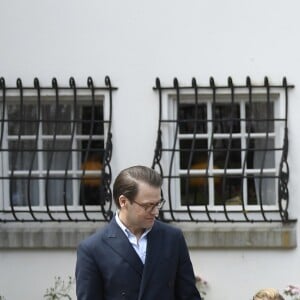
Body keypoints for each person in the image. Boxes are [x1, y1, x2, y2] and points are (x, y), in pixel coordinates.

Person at [75, 165, 201, 300]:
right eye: (148, 206)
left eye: (158, 204)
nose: (156, 212)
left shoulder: (173, 238)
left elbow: (189, 295)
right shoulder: (92, 249)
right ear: (123, 202)